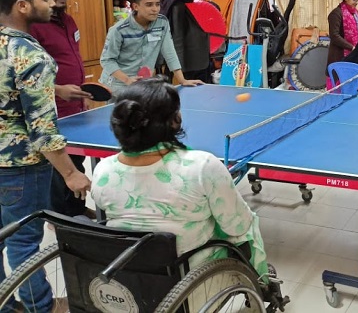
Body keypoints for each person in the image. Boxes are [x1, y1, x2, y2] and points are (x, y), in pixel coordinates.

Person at [91, 78, 269, 279]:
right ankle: (261, 282)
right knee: (248, 224)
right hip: (193, 279)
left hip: (128, 275)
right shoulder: (202, 166)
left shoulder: (103, 170)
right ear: (174, 120)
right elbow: (237, 225)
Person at [0, 0, 91, 313]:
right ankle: (41, 307)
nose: (54, 2)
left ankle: (6, 305)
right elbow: (42, 128)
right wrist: (71, 173)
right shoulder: (32, 55)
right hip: (22, 166)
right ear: (23, 6)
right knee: (24, 240)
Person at [29, 0, 95, 220]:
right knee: (57, 170)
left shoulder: (68, 20)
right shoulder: (33, 26)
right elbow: (27, 78)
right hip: (49, 109)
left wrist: (80, 96)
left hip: (74, 107)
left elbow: (73, 57)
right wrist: (57, 90)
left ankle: (76, 210)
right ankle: (60, 219)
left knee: (76, 162)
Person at [99, 0, 203, 92]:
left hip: (143, 83)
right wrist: (127, 80)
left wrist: (182, 80)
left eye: (157, 4)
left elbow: (169, 52)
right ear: (135, 6)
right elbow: (107, 60)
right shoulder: (119, 30)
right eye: (149, 5)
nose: (155, 9)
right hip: (118, 84)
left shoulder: (162, 22)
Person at [326, 0, 358, 88]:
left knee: (352, 86)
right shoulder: (336, 14)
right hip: (339, 54)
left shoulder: (355, 13)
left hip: (353, 54)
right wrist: (351, 47)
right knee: (338, 86)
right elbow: (334, 36)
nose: (356, 2)